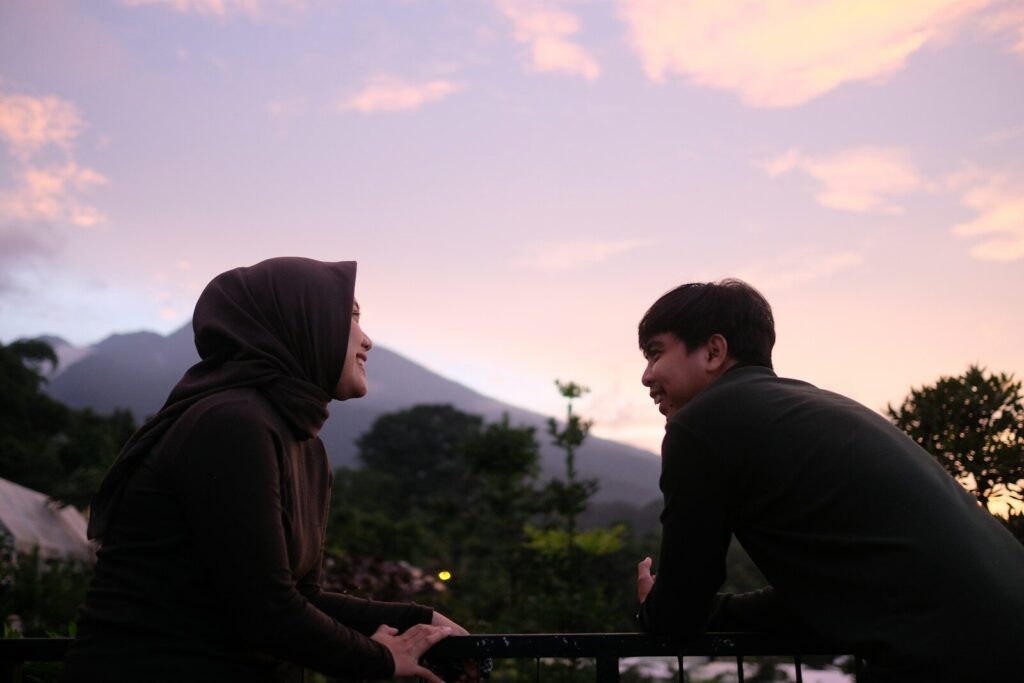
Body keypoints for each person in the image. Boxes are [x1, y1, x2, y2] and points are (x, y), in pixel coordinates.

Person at [63, 257, 465, 683]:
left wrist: (423, 620)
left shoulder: (305, 445)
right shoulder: (230, 423)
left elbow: (300, 597)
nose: (367, 341)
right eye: (351, 316)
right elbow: (265, 611)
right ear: (299, 322)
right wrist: (381, 660)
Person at [632, 279, 1024, 682]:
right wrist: (715, 611)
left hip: (945, 658)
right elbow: (830, 591)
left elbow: (681, 609)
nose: (646, 376)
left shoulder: (702, 425)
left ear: (714, 351)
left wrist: (655, 608)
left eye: (655, 354)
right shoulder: (816, 406)